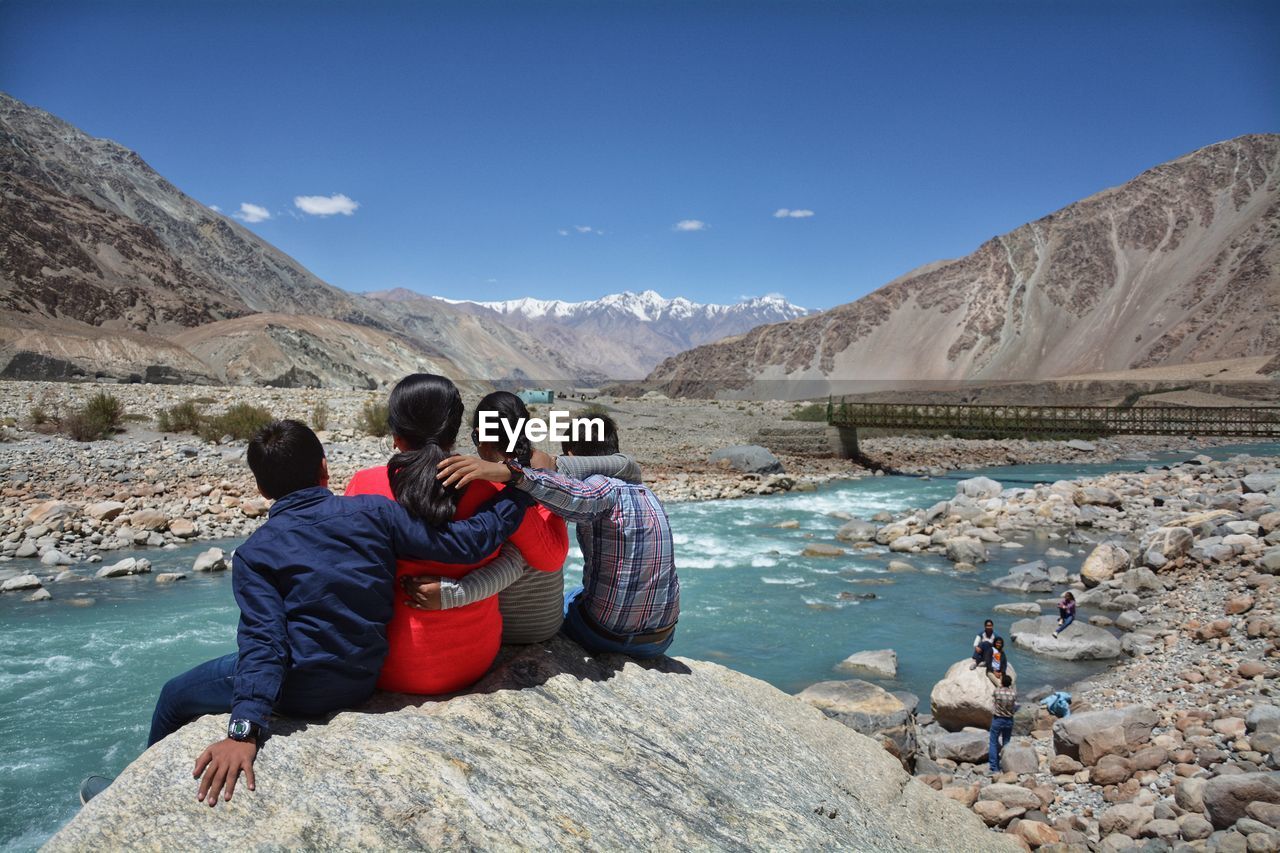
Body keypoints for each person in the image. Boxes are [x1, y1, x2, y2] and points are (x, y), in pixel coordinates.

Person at [87, 420, 531, 808]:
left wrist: (243, 731)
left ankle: (129, 792)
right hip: (363, 675)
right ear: (324, 469)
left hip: (301, 689)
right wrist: (522, 486)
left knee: (173, 695)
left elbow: (266, 642)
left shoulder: (256, 553)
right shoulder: (374, 512)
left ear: (261, 489)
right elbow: (467, 542)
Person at [344, 375, 569, 694]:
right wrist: (542, 483)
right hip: (471, 662)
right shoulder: (491, 488)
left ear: (396, 436)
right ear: (455, 429)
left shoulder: (363, 485)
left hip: (384, 665)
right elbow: (552, 558)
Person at [438, 411, 680, 659]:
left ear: (572, 455)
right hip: (663, 638)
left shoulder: (603, 489)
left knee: (564, 605)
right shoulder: (647, 493)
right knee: (577, 593)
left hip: (608, 637)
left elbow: (574, 498)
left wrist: (514, 475)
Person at [404, 393, 641, 644]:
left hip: (505, 629)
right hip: (549, 624)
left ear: (479, 435)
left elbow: (511, 565)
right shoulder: (550, 473)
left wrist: (451, 594)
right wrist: (545, 465)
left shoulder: (484, 486)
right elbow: (628, 466)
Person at [988, 673, 1017, 773]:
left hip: (998, 719)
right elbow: (1015, 704)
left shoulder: (997, 691)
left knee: (993, 742)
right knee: (1006, 743)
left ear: (1002, 682)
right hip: (1009, 719)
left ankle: (994, 767)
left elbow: (993, 699)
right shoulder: (1013, 693)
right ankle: (1006, 765)